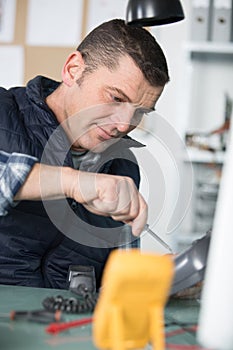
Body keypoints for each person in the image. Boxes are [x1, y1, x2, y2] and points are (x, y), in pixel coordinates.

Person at [0, 19, 169, 290]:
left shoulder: (123, 166)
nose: (124, 126)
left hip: (67, 329)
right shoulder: (4, 112)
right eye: (116, 98)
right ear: (73, 69)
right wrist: (74, 182)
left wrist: (163, 284)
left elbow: (115, 283)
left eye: (140, 112)